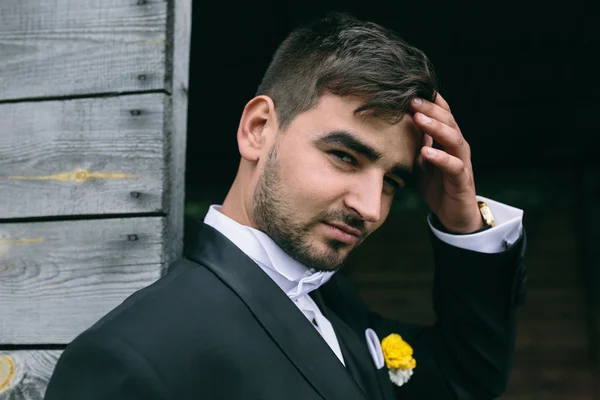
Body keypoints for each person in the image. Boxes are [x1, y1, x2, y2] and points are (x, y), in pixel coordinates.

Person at [44, 12, 526, 400]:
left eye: (392, 182)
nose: (371, 208)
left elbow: (465, 380)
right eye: (344, 156)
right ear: (258, 129)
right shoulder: (131, 358)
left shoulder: (338, 306)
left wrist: (465, 224)